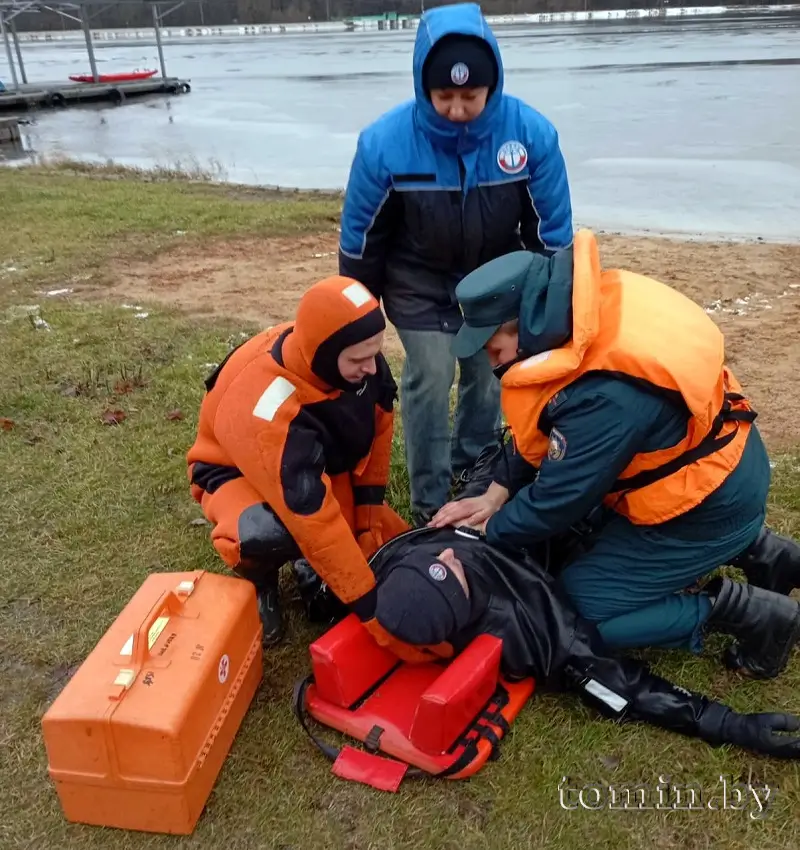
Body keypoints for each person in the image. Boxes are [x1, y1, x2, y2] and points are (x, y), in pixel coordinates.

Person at [430, 228, 800, 676]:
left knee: (579, 611)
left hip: (709, 501)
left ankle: (756, 616)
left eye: (495, 349)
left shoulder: (603, 397)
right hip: (724, 465)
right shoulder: (580, 315)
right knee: (591, 545)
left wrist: (487, 533)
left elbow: (556, 502)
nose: (492, 365)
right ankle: (767, 554)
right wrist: (497, 491)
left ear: (525, 325)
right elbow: (538, 434)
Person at [338, 2, 574, 527]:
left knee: (487, 374)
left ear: (492, 85)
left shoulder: (531, 136)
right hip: (416, 281)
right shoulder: (384, 143)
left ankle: (475, 471)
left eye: (470, 95)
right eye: (445, 96)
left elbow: (551, 235)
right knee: (430, 369)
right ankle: (428, 500)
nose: (458, 108)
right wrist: (355, 315)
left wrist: (541, 306)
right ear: (425, 87)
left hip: (494, 279)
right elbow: (361, 241)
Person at [370, 525, 800, 760]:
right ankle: (753, 596)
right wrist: (727, 723)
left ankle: (756, 554)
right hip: (585, 531)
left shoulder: (415, 549)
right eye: (450, 572)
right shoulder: (535, 632)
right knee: (599, 622)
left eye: (438, 559)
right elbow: (619, 685)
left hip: (580, 519)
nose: (447, 556)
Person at [186, 275, 425, 656]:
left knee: (388, 543)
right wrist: (370, 609)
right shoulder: (271, 407)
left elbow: (377, 442)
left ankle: (313, 568)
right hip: (236, 473)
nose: (373, 367)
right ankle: (260, 579)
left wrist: (366, 524)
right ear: (325, 355)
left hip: (317, 466)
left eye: (375, 353)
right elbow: (308, 512)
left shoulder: (357, 357)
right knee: (271, 530)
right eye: (359, 359)